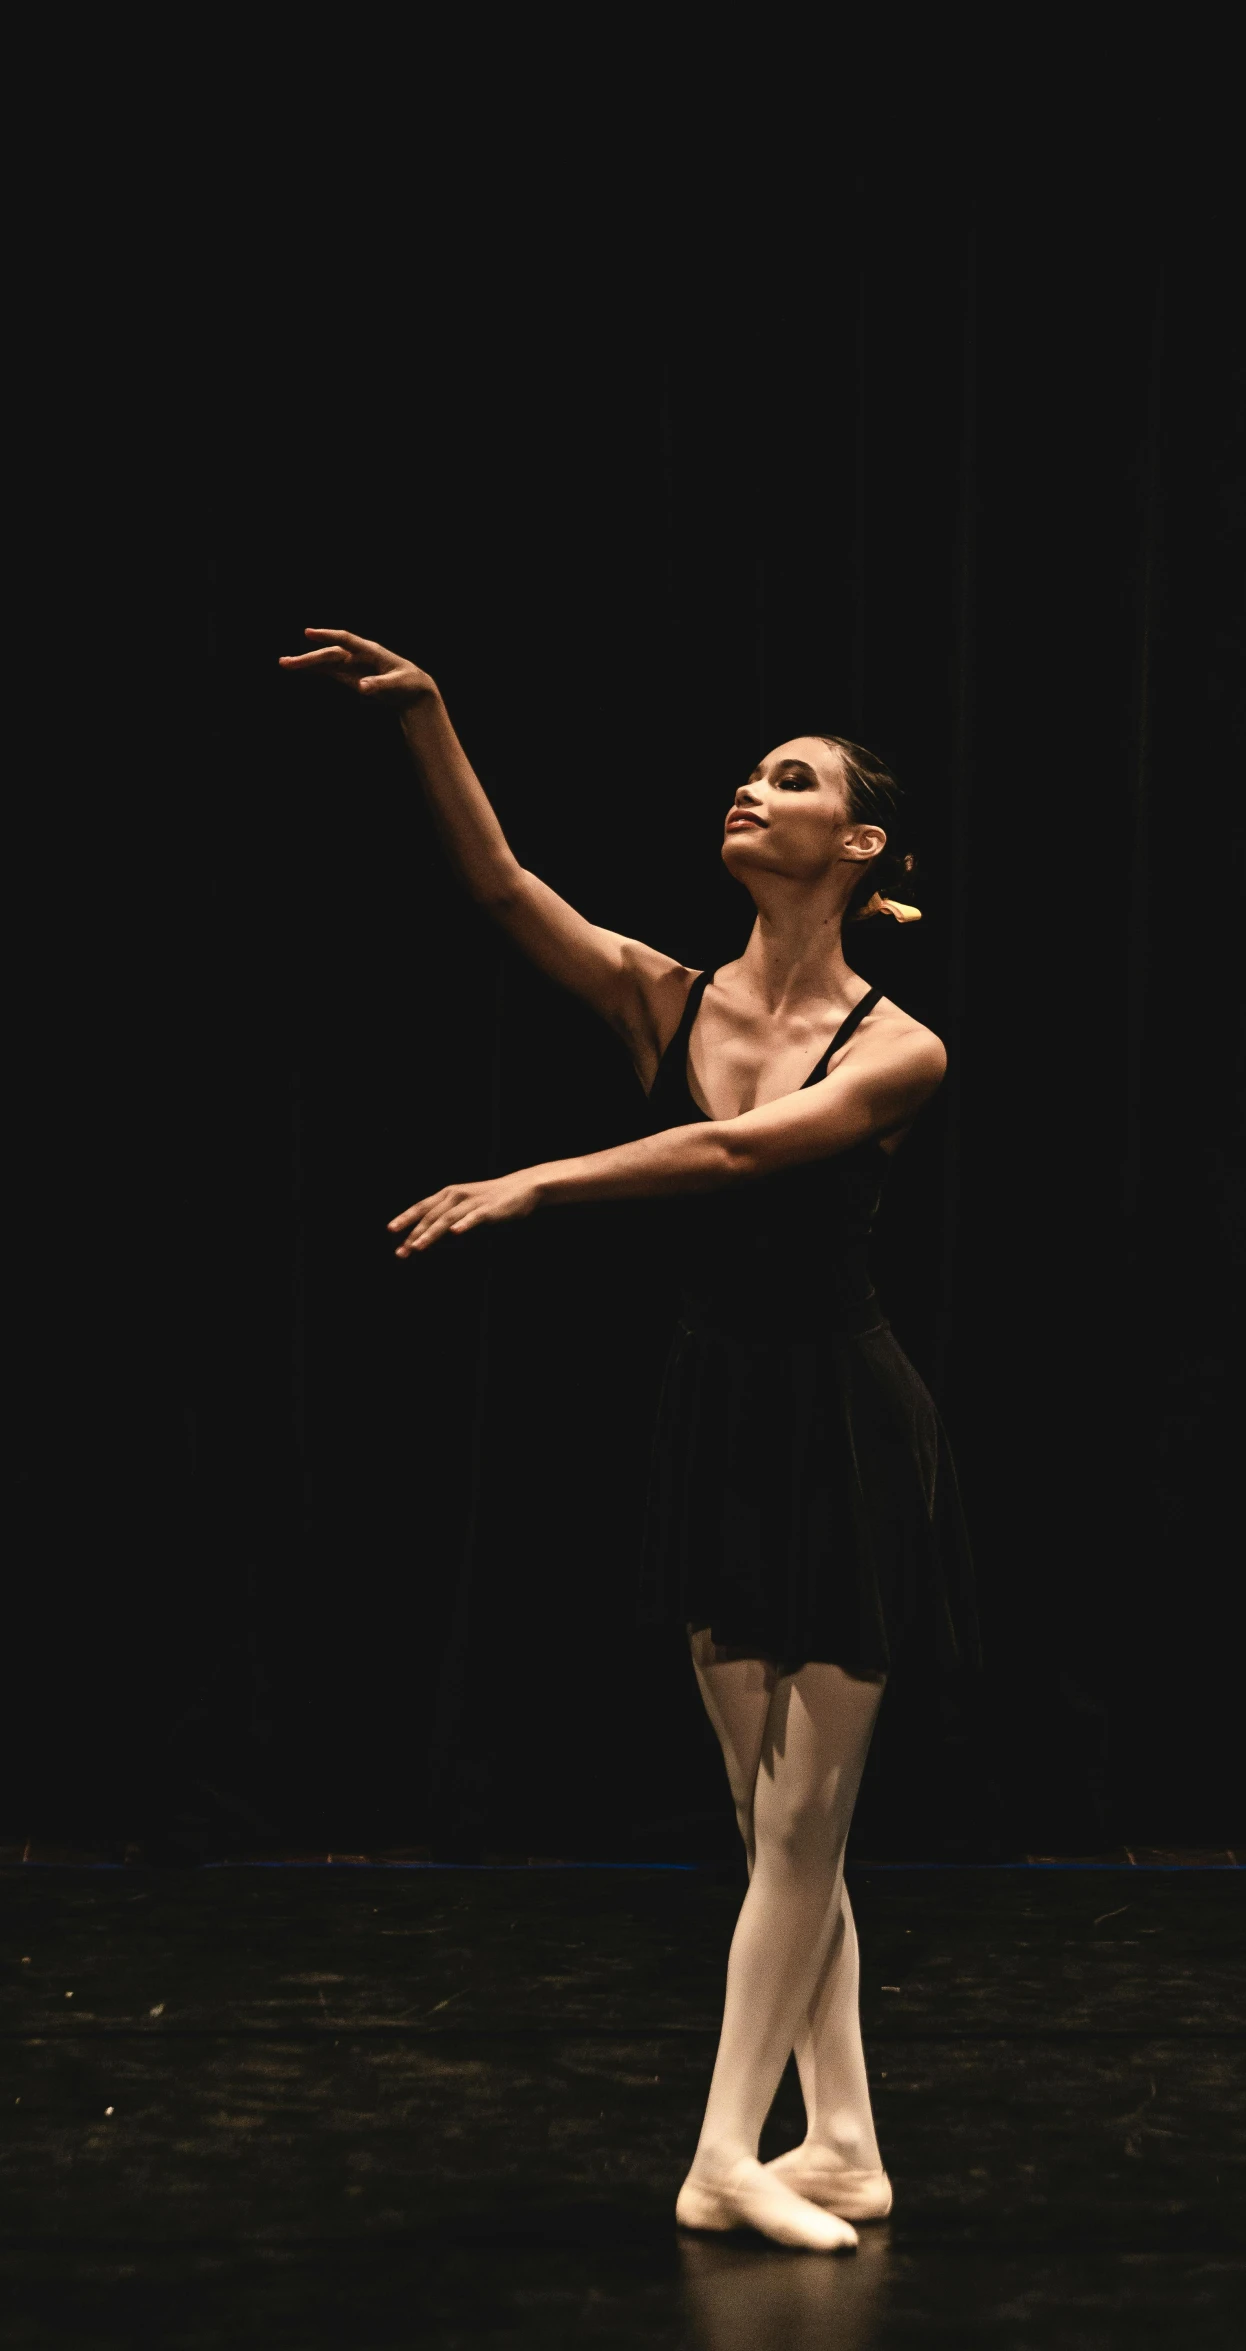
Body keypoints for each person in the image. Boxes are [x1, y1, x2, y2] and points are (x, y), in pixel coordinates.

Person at [280, 628, 979, 2252]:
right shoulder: (662, 990)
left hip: (843, 1423)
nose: (752, 785)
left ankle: (727, 2150)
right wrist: (428, 717)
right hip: (718, 1410)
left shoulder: (896, 1046)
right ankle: (850, 2142)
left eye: (791, 777)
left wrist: (535, 1180)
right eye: (750, 771)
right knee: (765, 1818)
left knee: (806, 1819)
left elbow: (740, 1157)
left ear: (857, 843)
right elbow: (503, 884)